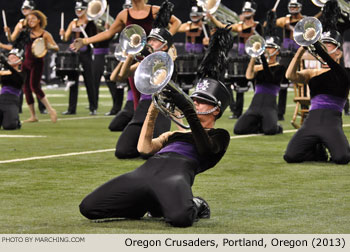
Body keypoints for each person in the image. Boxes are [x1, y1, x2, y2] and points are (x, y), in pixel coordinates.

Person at [79, 28, 233, 227]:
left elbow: (204, 148)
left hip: (175, 174)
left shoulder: (220, 136)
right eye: (193, 100)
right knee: (89, 207)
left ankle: (197, 204)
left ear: (215, 110)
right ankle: (144, 203)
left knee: (181, 218)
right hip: (144, 171)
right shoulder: (174, 133)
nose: (194, 103)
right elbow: (143, 149)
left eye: (201, 101)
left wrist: (187, 109)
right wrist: (153, 110)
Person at [71, 0, 181, 110]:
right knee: (137, 99)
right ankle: (140, 121)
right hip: (135, 59)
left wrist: (163, 39)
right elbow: (109, 33)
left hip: (154, 61)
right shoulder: (124, 14)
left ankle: (159, 123)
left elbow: (177, 22)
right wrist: (85, 41)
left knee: (159, 97)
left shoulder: (154, 10)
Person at [284, 29, 350, 164]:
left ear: (339, 51)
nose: (324, 45)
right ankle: (317, 147)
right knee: (290, 156)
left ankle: (328, 143)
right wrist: (301, 49)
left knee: (342, 158)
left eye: (329, 44)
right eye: (322, 43)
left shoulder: (345, 72)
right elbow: (290, 76)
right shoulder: (312, 72)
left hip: (332, 122)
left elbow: (337, 71)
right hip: (311, 121)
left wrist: (317, 47)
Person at [208, 0, 262, 119]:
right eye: (245, 10)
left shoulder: (257, 26)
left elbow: (262, 41)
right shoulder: (239, 26)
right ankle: (237, 113)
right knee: (239, 88)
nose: (246, 12)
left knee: (256, 86)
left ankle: (258, 109)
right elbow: (223, 26)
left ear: (253, 12)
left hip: (254, 59)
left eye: (248, 10)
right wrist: (212, 18)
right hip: (242, 59)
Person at [11, 10, 58, 123]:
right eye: (29, 19)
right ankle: (33, 116)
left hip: (37, 63)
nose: (30, 21)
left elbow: (56, 47)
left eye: (33, 19)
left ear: (39, 20)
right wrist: (9, 33)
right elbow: (12, 40)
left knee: (35, 87)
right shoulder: (27, 32)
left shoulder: (45, 34)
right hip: (25, 62)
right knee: (26, 88)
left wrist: (48, 45)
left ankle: (51, 110)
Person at [233, 36, 285, 135]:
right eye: (266, 47)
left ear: (277, 51)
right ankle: (259, 125)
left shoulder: (280, 68)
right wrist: (253, 56)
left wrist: (262, 58)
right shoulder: (258, 67)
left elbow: (270, 78)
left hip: (269, 105)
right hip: (255, 105)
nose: (267, 49)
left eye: (270, 47)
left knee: (270, 131)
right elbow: (248, 76)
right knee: (238, 130)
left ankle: (277, 127)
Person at [3, 0, 46, 114]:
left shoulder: (37, 23)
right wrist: (8, 33)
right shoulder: (21, 23)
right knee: (20, 80)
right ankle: (18, 106)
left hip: (33, 54)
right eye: (24, 9)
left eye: (27, 9)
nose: (25, 11)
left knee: (35, 82)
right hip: (21, 54)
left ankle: (42, 107)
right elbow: (11, 39)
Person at [59, 0, 97, 115]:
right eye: (77, 9)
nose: (79, 11)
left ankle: (93, 107)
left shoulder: (90, 22)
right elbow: (65, 38)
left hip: (86, 54)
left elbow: (94, 38)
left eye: (81, 9)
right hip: (74, 55)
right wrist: (62, 34)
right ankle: (71, 109)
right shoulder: (73, 22)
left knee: (89, 81)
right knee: (72, 81)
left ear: (85, 10)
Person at [0, 49, 25, 130]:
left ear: (20, 61)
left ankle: (15, 120)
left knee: (9, 126)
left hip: (12, 100)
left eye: (14, 57)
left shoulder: (22, 73)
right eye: (9, 57)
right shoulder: (4, 72)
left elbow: (16, 76)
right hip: (1, 99)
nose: (11, 59)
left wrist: (5, 63)